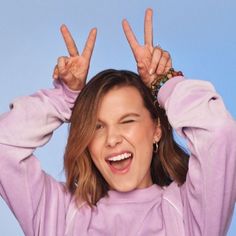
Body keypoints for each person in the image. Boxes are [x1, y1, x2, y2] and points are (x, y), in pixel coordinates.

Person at [0, 8, 235, 236]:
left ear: (156, 130)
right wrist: (64, 98)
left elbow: (219, 133)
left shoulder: (191, 213)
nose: (112, 139)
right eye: (97, 126)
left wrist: (164, 84)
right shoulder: (61, 215)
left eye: (127, 121)